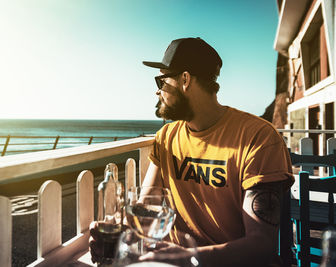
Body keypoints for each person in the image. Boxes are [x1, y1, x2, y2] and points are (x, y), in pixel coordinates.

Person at [90, 37, 294, 267]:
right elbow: (145, 206)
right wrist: (116, 231)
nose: (157, 93)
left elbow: (261, 245)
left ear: (185, 80)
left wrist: (188, 258)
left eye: (161, 82)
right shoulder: (166, 137)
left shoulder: (258, 138)